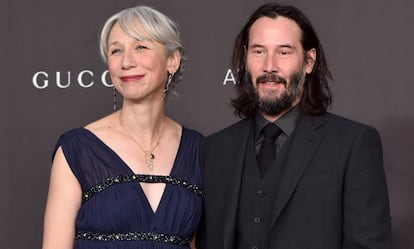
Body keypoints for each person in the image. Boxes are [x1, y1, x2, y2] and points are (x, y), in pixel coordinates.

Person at [196, 3, 391, 249]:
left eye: (284, 52)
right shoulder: (214, 149)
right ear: (246, 59)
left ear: (309, 61)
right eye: (258, 51)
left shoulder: (353, 144)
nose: (269, 66)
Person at [42, 5, 203, 249]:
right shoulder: (78, 149)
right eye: (116, 50)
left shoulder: (200, 150)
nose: (127, 61)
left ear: (172, 60)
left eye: (141, 47)